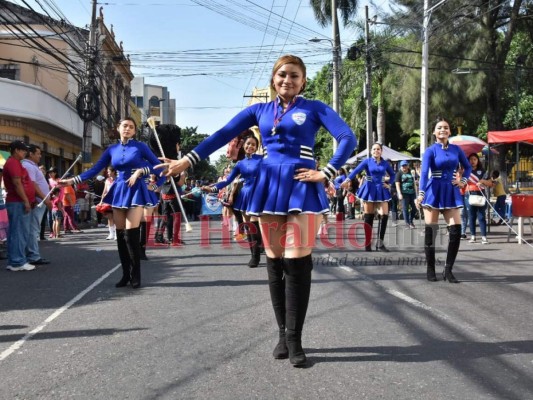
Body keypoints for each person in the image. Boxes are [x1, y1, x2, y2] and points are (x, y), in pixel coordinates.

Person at [157, 55, 356, 367]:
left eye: (294, 75)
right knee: (275, 258)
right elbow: (223, 134)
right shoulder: (259, 110)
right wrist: (188, 160)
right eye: (281, 75)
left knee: (296, 256)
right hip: (268, 185)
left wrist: (328, 172)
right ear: (274, 79)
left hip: (302, 183)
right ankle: (281, 333)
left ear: (302, 81)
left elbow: (347, 137)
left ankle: (295, 337)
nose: (287, 80)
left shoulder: (314, 107)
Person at [60, 117, 165, 289]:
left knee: (132, 235)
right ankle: (125, 274)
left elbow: (159, 166)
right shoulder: (111, 149)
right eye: (125, 126)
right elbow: (95, 169)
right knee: (121, 236)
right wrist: (73, 180)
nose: (128, 129)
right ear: (118, 128)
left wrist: (141, 172)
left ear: (134, 131)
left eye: (131, 127)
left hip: (136, 190)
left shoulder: (141, 147)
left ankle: (136, 275)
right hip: (118, 190)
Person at [416, 117, 471, 283]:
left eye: (446, 128)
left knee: (456, 230)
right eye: (439, 127)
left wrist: (463, 181)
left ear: (449, 131)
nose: (443, 130)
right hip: (434, 190)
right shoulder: (430, 151)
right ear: (434, 132)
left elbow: (467, 167)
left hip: (451, 190)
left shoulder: (456, 149)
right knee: (431, 232)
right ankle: (430, 268)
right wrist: (421, 193)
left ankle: (448, 270)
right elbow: (424, 174)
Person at [203, 134, 263, 268]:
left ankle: (261, 248)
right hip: (246, 193)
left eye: (253, 144)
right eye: (248, 144)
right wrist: (212, 188)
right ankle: (255, 256)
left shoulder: (262, 159)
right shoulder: (240, 163)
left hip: (259, 193)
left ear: (257, 147)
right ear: (244, 146)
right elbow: (228, 180)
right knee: (249, 225)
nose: (250, 146)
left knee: (256, 223)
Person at [342, 142, 395, 252]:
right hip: (369, 188)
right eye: (374, 149)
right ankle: (367, 243)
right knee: (368, 216)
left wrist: (389, 183)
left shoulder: (385, 163)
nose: (376, 151)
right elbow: (356, 171)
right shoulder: (367, 161)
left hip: (381, 189)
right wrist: (347, 180)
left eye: (378, 149)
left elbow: (393, 174)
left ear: (381, 151)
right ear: (371, 151)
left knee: (385, 214)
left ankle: (380, 243)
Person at [3, 141, 36, 271]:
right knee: (19, 232)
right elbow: (17, 183)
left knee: (16, 232)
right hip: (17, 202)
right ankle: (17, 261)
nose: (25, 153)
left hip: (16, 202)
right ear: (16, 150)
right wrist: (26, 201)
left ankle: (15, 260)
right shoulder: (13, 163)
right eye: (23, 150)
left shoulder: (15, 163)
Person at [21, 144, 52, 265]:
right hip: (38, 202)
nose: (40, 156)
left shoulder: (32, 166)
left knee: (34, 229)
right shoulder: (28, 166)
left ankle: (32, 254)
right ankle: (33, 256)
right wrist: (45, 199)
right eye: (38, 153)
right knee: (33, 230)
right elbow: (33, 185)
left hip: (40, 202)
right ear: (31, 154)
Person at [465, 153, 491, 244]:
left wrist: (483, 181)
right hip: (469, 194)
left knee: (481, 216)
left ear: (478, 160)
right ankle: (473, 236)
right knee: (471, 217)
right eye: (471, 159)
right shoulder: (466, 171)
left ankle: (484, 237)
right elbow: (461, 184)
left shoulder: (483, 171)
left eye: (474, 159)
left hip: (481, 194)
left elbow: (490, 183)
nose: (472, 161)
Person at [395, 160, 417, 229]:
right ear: (401, 166)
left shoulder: (411, 172)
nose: (404, 167)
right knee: (405, 209)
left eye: (405, 165)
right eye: (403, 166)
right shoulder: (399, 173)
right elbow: (397, 184)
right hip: (404, 193)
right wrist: (399, 193)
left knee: (415, 208)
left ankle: (411, 220)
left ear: (407, 165)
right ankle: (407, 223)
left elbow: (415, 181)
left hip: (412, 193)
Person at [99, 166, 116, 240]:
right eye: (107, 172)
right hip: (108, 201)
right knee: (109, 217)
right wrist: (101, 201)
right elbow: (104, 191)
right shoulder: (107, 180)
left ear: (113, 172)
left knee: (116, 217)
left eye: (109, 171)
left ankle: (117, 234)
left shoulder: (118, 180)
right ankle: (111, 233)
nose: (108, 173)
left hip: (116, 201)